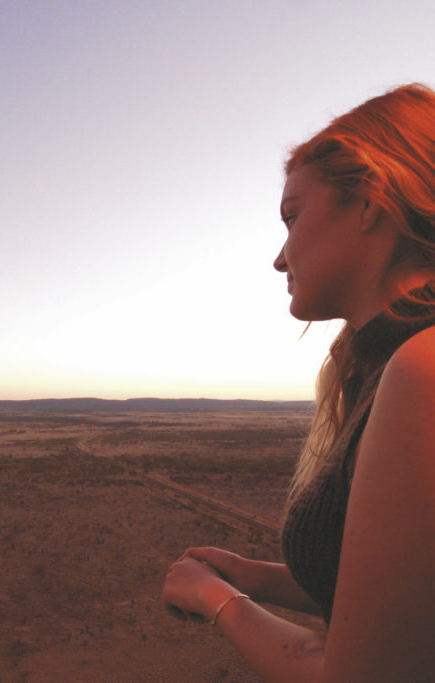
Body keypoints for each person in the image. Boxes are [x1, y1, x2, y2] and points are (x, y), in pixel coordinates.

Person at [161, 83, 435, 681]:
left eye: (292, 216)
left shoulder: (421, 372)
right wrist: (256, 576)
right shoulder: (389, 366)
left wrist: (219, 601)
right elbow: (404, 600)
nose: (280, 258)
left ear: (368, 201)